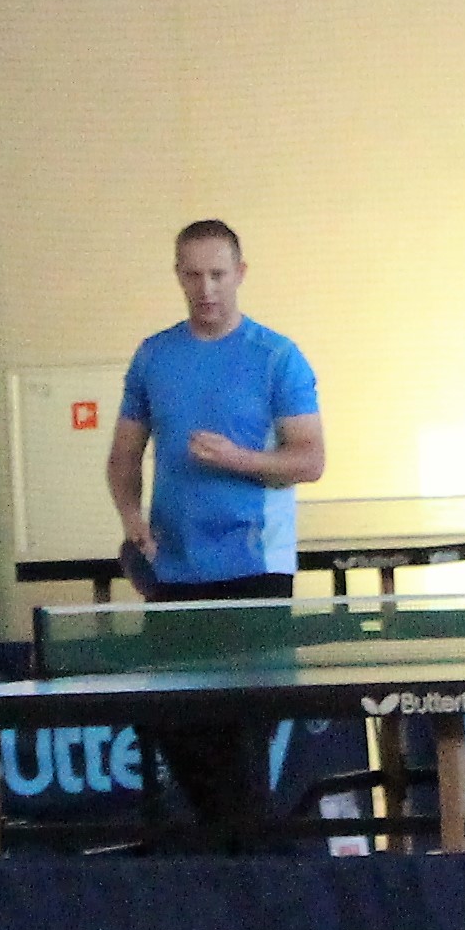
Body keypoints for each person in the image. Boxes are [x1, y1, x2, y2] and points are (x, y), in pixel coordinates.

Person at [103, 220, 326, 845]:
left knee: (241, 733)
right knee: (177, 723)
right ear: (178, 276)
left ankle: (246, 863)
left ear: (240, 274)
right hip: (174, 573)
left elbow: (309, 459)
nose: (206, 288)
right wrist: (132, 520)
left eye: (218, 274)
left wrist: (237, 458)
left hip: (254, 571)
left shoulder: (277, 356)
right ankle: (241, 856)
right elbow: (123, 459)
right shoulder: (154, 357)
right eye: (194, 275)